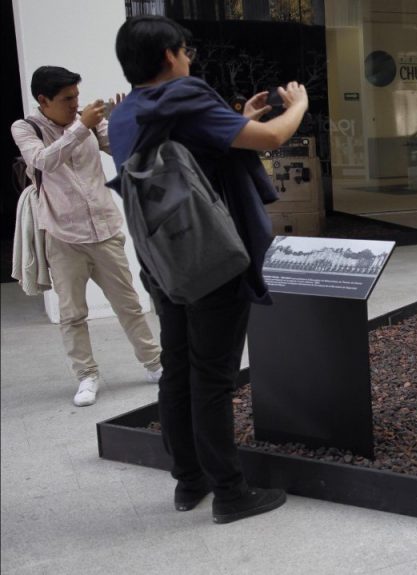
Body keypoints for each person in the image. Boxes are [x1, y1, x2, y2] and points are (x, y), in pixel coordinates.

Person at [107, 15, 308, 524]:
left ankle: (188, 480)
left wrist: (236, 117)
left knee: (177, 368)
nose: (189, 59)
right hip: (211, 256)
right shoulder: (186, 96)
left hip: (162, 261)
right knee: (213, 376)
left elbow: (190, 154)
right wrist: (298, 106)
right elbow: (269, 138)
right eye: (186, 50)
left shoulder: (126, 113)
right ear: (169, 55)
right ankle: (231, 493)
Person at [10, 66, 163, 407]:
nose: (75, 104)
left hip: (104, 230)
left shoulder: (87, 121)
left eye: (77, 96)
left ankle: (154, 364)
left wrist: (124, 122)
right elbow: (43, 161)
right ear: (43, 100)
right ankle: (86, 376)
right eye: (67, 99)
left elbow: (127, 152)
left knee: (129, 305)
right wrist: (82, 128)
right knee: (72, 314)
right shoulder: (26, 128)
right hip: (63, 236)